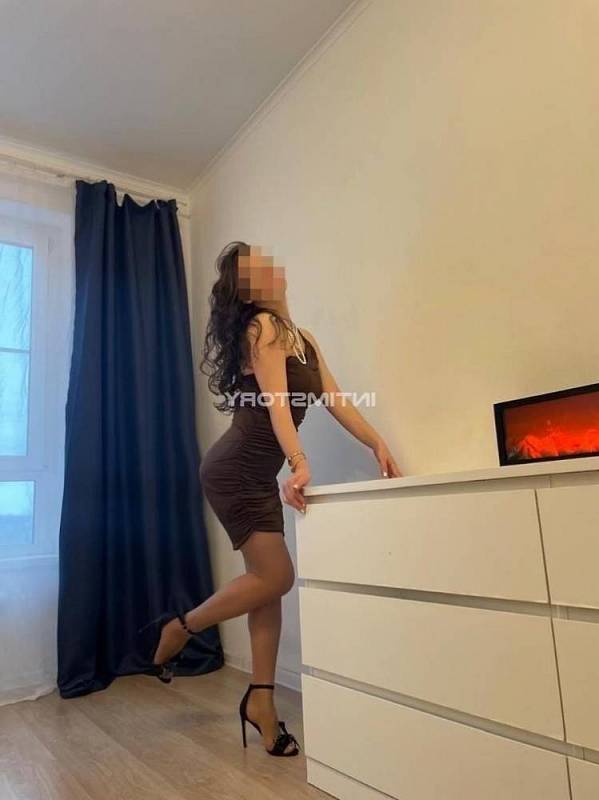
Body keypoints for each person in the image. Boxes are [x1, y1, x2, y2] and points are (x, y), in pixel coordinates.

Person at [145, 241, 401, 756]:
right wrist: (299, 462)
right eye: (252, 268)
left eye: (264, 261)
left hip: (257, 473)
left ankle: (261, 701)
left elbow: (336, 399)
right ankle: (182, 627)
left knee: (267, 587)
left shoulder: (303, 339)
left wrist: (375, 441)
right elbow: (278, 406)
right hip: (235, 469)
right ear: (246, 290)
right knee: (277, 576)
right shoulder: (261, 328)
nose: (267, 269)